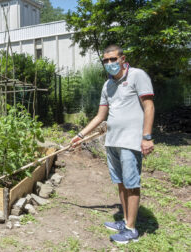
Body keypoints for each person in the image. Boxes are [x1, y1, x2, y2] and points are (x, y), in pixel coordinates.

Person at [70, 45, 155, 244]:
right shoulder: (107, 85)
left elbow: (149, 106)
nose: (109, 63)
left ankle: (131, 229)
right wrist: (80, 135)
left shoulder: (137, 76)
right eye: (106, 61)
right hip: (112, 142)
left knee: (132, 184)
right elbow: (101, 115)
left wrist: (147, 136)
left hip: (131, 141)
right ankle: (125, 220)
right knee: (120, 182)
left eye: (113, 59)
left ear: (122, 58)